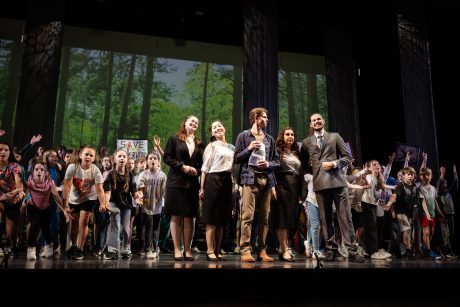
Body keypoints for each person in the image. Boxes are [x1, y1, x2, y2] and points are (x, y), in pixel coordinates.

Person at [299, 113, 364, 262]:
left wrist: (334, 164)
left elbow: (348, 157)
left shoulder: (335, 136)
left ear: (323, 121)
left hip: (338, 183)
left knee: (345, 217)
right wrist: (316, 172)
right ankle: (331, 250)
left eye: (318, 119)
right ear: (311, 124)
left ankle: (352, 251)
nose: (316, 122)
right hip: (320, 185)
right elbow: (304, 163)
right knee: (326, 219)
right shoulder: (307, 142)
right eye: (313, 120)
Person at [234, 107, 280, 262]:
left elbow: (276, 161)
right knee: (247, 215)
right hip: (249, 179)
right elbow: (237, 158)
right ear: (255, 118)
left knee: (265, 217)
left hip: (266, 181)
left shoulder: (270, 139)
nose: (267, 120)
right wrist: (248, 148)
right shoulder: (244, 136)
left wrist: (267, 164)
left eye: (267, 117)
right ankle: (245, 250)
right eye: (264, 117)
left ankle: (262, 250)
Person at [163, 115, 204, 261]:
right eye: (191, 121)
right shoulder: (174, 139)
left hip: (192, 184)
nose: (194, 123)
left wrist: (196, 171)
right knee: (176, 215)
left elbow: (203, 165)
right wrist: (182, 166)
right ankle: (177, 249)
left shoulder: (200, 143)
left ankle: (187, 249)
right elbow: (167, 158)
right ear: (185, 123)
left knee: (190, 217)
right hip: (176, 182)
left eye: (196, 123)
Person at [62, 146, 106, 260]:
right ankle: (74, 245)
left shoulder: (95, 170)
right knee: (74, 223)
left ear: (94, 158)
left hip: (89, 198)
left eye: (91, 155)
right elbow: (66, 187)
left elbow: (100, 190)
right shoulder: (73, 167)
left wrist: (103, 203)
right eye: (86, 154)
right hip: (74, 199)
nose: (88, 157)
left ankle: (81, 249)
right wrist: (65, 204)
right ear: (80, 155)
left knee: (83, 222)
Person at [199, 120, 235, 261]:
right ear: (212, 133)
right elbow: (205, 168)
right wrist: (201, 188)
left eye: (220, 126)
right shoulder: (211, 146)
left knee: (222, 218)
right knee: (212, 217)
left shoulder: (230, 147)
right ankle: (210, 250)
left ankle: (218, 249)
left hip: (227, 181)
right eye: (215, 127)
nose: (218, 128)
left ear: (224, 129)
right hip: (213, 180)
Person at [22, 161, 71, 260]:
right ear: (33, 172)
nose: (39, 171)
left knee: (45, 229)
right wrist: (23, 202)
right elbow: (24, 192)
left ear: (46, 172)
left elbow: (56, 197)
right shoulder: (30, 181)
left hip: (45, 208)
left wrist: (64, 210)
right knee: (35, 224)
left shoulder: (50, 182)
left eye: (42, 170)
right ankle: (31, 248)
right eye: (36, 169)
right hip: (33, 207)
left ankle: (49, 245)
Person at [271, 127, 302, 262]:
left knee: (289, 220)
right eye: (288, 134)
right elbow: (271, 170)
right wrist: (272, 187)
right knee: (281, 219)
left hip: (294, 187)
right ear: (282, 136)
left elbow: (300, 172)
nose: (290, 136)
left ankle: (283, 248)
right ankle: (283, 249)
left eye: (293, 134)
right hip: (281, 185)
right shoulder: (277, 151)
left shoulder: (297, 153)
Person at [138, 152, 166, 259]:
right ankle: (148, 249)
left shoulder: (162, 175)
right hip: (146, 205)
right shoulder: (143, 174)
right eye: (150, 158)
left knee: (156, 228)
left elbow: (164, 192)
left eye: (155, 158)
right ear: (147, 161)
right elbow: (140, 188)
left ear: (158, 161)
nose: (153, 160)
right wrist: (141, 198)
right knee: (148, 227)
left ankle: (155, 247)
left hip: (158, 206)